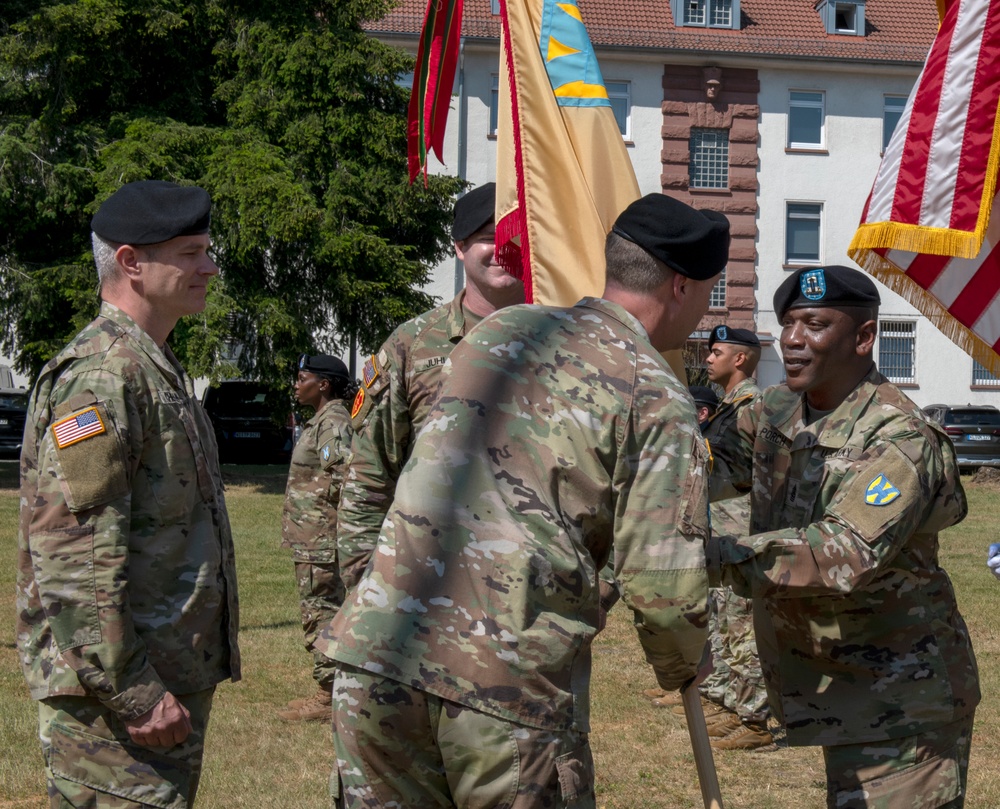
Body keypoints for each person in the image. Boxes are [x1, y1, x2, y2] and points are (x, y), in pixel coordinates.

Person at [326, 193, 729, 808]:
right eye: (706, 293)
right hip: (501, 682)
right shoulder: (654, 392)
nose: (703, 312)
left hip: (379, 653)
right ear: (680, 287)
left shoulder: (501, 332)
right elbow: (659, 578)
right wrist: (683, 661)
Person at [709, 265, 979, 806]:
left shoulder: (899, 437)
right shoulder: (774, 410)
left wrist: (701, 558)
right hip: (833, 681)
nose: (791, 340)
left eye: (813, 324)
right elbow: (699, 472)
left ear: (863, 337)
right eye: (787, 324)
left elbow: (841, 553)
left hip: (902, 700)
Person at [15, 180, 240, 807]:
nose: (209, 266)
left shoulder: (148, 364)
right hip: (117, 698)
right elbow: (72, 555)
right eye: (191, 252)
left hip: (154, 676)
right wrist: (134, 691)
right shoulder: (104, 374)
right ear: (132, 263)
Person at [335, 182, 525, 594]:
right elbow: (370, 474)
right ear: (459, 247)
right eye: (488, 238)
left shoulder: (566, 341)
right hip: (432, 586)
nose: (503, 248)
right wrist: (362, 587)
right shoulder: (412, 345)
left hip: (537, 599)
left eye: (515, 236)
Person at [277, 354, 356, 722]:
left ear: (323, 384)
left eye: (302, 376)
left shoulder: (333, 421)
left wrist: (335, 525)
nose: (296, 384)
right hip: (313, 535)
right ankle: (334, 691)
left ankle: (329, 697)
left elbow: (342, 473)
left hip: (321, 538)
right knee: (322, 609)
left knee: (321, 613)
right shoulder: (324, 420)